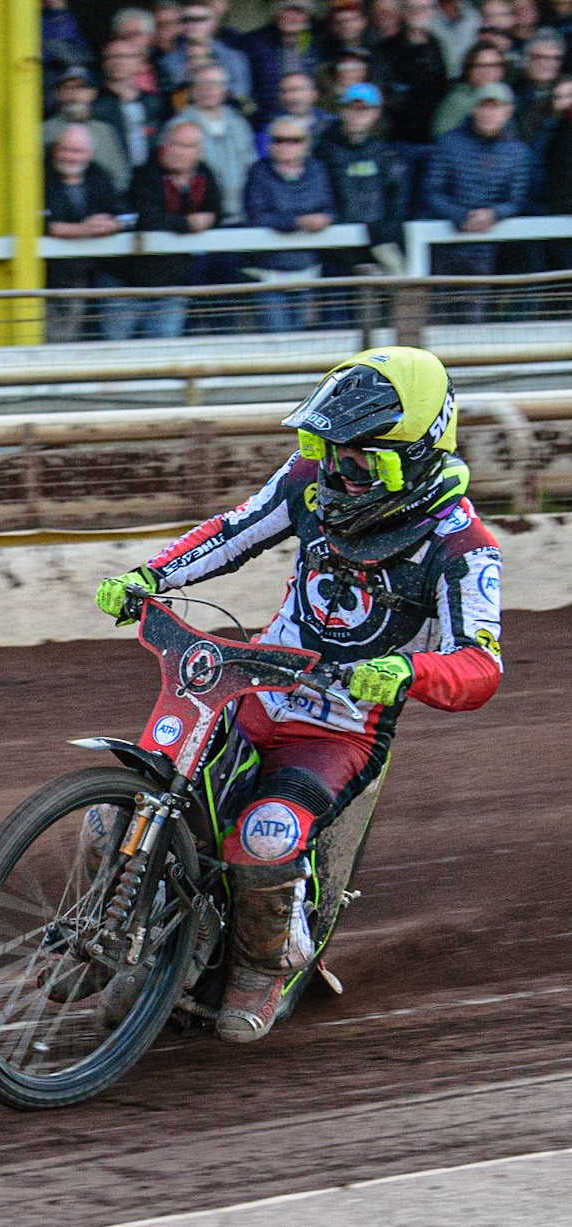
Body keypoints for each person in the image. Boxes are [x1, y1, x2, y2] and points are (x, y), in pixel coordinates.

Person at [94, 347, 502, 1043]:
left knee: (264, 835)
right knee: (117, 808)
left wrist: (409, 672)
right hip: (249, 689)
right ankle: (105, 923)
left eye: (361, 460)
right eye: (329, 449)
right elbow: (233, 530)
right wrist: (148, 574)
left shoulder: (461, 545)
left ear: (418, 455)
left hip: (340, 731)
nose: (340, 471)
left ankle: (263, 968)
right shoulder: (310, 481)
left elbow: (480, 663)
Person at [421, 81, 531, 282]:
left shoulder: (518, 152)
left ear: (509, 111)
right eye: (484, 106)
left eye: (496, 107)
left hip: (490, 249)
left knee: (478, 309)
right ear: (474, 108)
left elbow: (517, 200)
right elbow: (431, 192)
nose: (489, 113)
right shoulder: (447, 143)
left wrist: (492, 214)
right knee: (440, 310)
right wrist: (462, 216)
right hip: (445, 243)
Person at [125, 120, 223, 337]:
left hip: (172, 285)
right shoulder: (145, 174)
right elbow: (146, 219)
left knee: (165, 353)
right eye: (174, 144)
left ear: (199, 151)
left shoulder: (205, 174)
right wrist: (187, 224)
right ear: (165, 145)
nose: (178, 152)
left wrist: (206, 220)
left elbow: (216, 213)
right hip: (126, 284)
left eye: (186, 146)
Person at [242, 116, 335, 333]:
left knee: (303, 338)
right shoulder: (257, 172)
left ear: (306, 144)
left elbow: (329, 207)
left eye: (294, 140)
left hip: (307, 269)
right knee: (278, 337)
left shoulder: (318, 170)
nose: (285, 146)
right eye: (278, 140)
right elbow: (256, 215)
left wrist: (325, 218)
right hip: (267, 272)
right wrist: (299, 221)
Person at [44, 123, 132, 342]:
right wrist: (83, 230)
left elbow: (127, 214)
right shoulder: (39, 175)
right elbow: (37, 224)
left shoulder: (98, 175)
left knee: (79, 344)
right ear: (56, 149)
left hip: (87, 279)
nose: (70, 157)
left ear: (89, 154)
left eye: (78, 151)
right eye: (66, 150)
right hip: (45, 279)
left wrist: (113, 225)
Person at [315, 83, 409, 277]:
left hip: (377, 248)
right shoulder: (323, 151)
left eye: (364, 109)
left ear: (377, 113)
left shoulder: (384, 153)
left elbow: (396, 201)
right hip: (336, 250)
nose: (357, 114)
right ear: (341, 110)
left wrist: (383, 235)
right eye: (352, 107)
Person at [175, 63, 256, 220]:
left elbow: (251, 166)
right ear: (193, 89)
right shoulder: (178, 126)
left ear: (224, 89)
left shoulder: (240, 124)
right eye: (203, 84)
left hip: (241, 213)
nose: (209, 90)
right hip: (198, 215)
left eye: (215, 85)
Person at [42, 67, 133, 192]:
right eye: (66, 87)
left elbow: (121, 177)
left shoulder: (105, 131)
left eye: (80, 87)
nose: (73, 93)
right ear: (58, 94)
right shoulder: (45, 130)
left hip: (103, 203)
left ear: (93, 93)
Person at [378, 0, 451, 142]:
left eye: (423, 8)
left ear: (433, 12)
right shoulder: (387, 48)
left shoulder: (438, 46)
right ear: (403, 12)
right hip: (396, 137)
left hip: (432, 134)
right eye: (412, 8)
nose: (417, 13)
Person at [99, 38, 167, 175]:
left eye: (124, 56)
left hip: (149, 179)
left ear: (139, 62)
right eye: (111, 57)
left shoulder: (153, 102)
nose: (118, 62)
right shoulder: (97, 105)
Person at [161, 3, 254, 102]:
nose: (191, 25)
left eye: (199, 19)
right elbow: (170, 99)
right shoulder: (167, 61)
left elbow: (240, 95)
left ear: (213, 23)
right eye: (186, 20)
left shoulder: (234, 58)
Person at [433, 39, 519, 136]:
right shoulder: (458, 100)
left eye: (495, 65)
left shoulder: (507, 97)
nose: (489, 71)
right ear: (469, 69)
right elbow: (442, 137)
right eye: (481, 66)